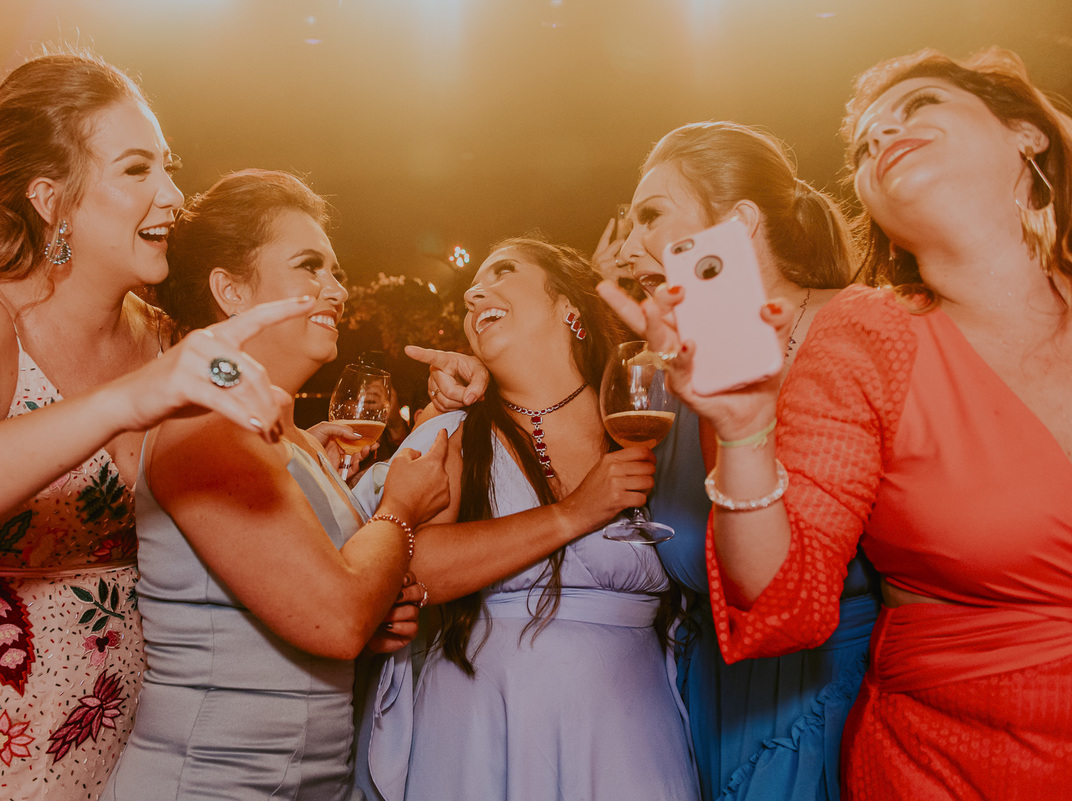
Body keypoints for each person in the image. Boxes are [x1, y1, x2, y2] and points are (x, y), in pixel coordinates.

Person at [601, 48, 1072, 799]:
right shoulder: (867, 335)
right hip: (946, 763)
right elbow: (783, 597)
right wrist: (748, 430)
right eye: (865, 142)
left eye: (918, 106)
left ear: (1027, 134)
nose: (885, 134)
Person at [0, 52, 310, 800]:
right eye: (137, 169)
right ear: (52, 198)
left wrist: (312, 462)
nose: (173, 195)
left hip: (139, 745)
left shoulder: (161, 338)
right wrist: (123, 402)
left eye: (167, 167)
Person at [100, 168, 449, 801]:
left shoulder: (283, 432)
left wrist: (375, 609)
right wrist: (399, 510)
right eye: (311, 266)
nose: (336, 289)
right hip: (212, 781)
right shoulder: (207, 424)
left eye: (335, 271)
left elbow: (325, 611)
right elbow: (335, 619)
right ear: (230, 290)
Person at [355, 238, 699, 801]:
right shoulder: (454, 434)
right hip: (480, 725)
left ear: (569, 306)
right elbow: (412, 563)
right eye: (470, 293)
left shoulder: (646, 414)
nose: (473, 294)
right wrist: (571, 515)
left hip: (626, 726)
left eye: (505, 271)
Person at [612, 121, 870, 801]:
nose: (635, 242)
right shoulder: (674, 370)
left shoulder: (867, 326)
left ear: (739, 220)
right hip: (715, 695)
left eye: (651, 214)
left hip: (840, 691)